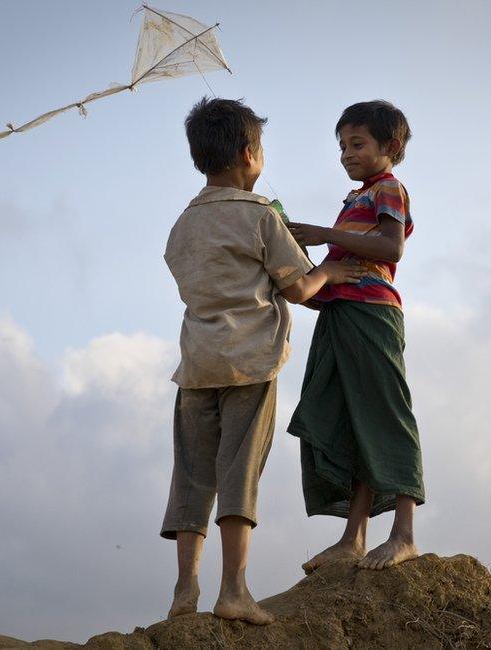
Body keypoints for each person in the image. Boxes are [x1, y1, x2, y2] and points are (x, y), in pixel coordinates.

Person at [160, 97, 365, 625]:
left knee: (190, 477)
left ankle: (185, 591)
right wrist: (332, 275)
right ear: (251, 153)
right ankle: (234, 590)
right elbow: (298, 288)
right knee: (238, 475)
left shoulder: (181, 225)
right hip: (250, 363)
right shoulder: (259, 216)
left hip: (196, 366)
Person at [286, 100, 424, 573]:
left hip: (372, 316)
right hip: (341, 317)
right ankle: (353, 538)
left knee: (384, 415)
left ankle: (403, 534)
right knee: (351, 421)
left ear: (392, 146)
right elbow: (335, 272)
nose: (346, 153)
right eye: (342, 145)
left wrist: (322, 233)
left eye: (357, 143)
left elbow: (390, 247)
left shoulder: (388, 188)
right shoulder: (355, 199)